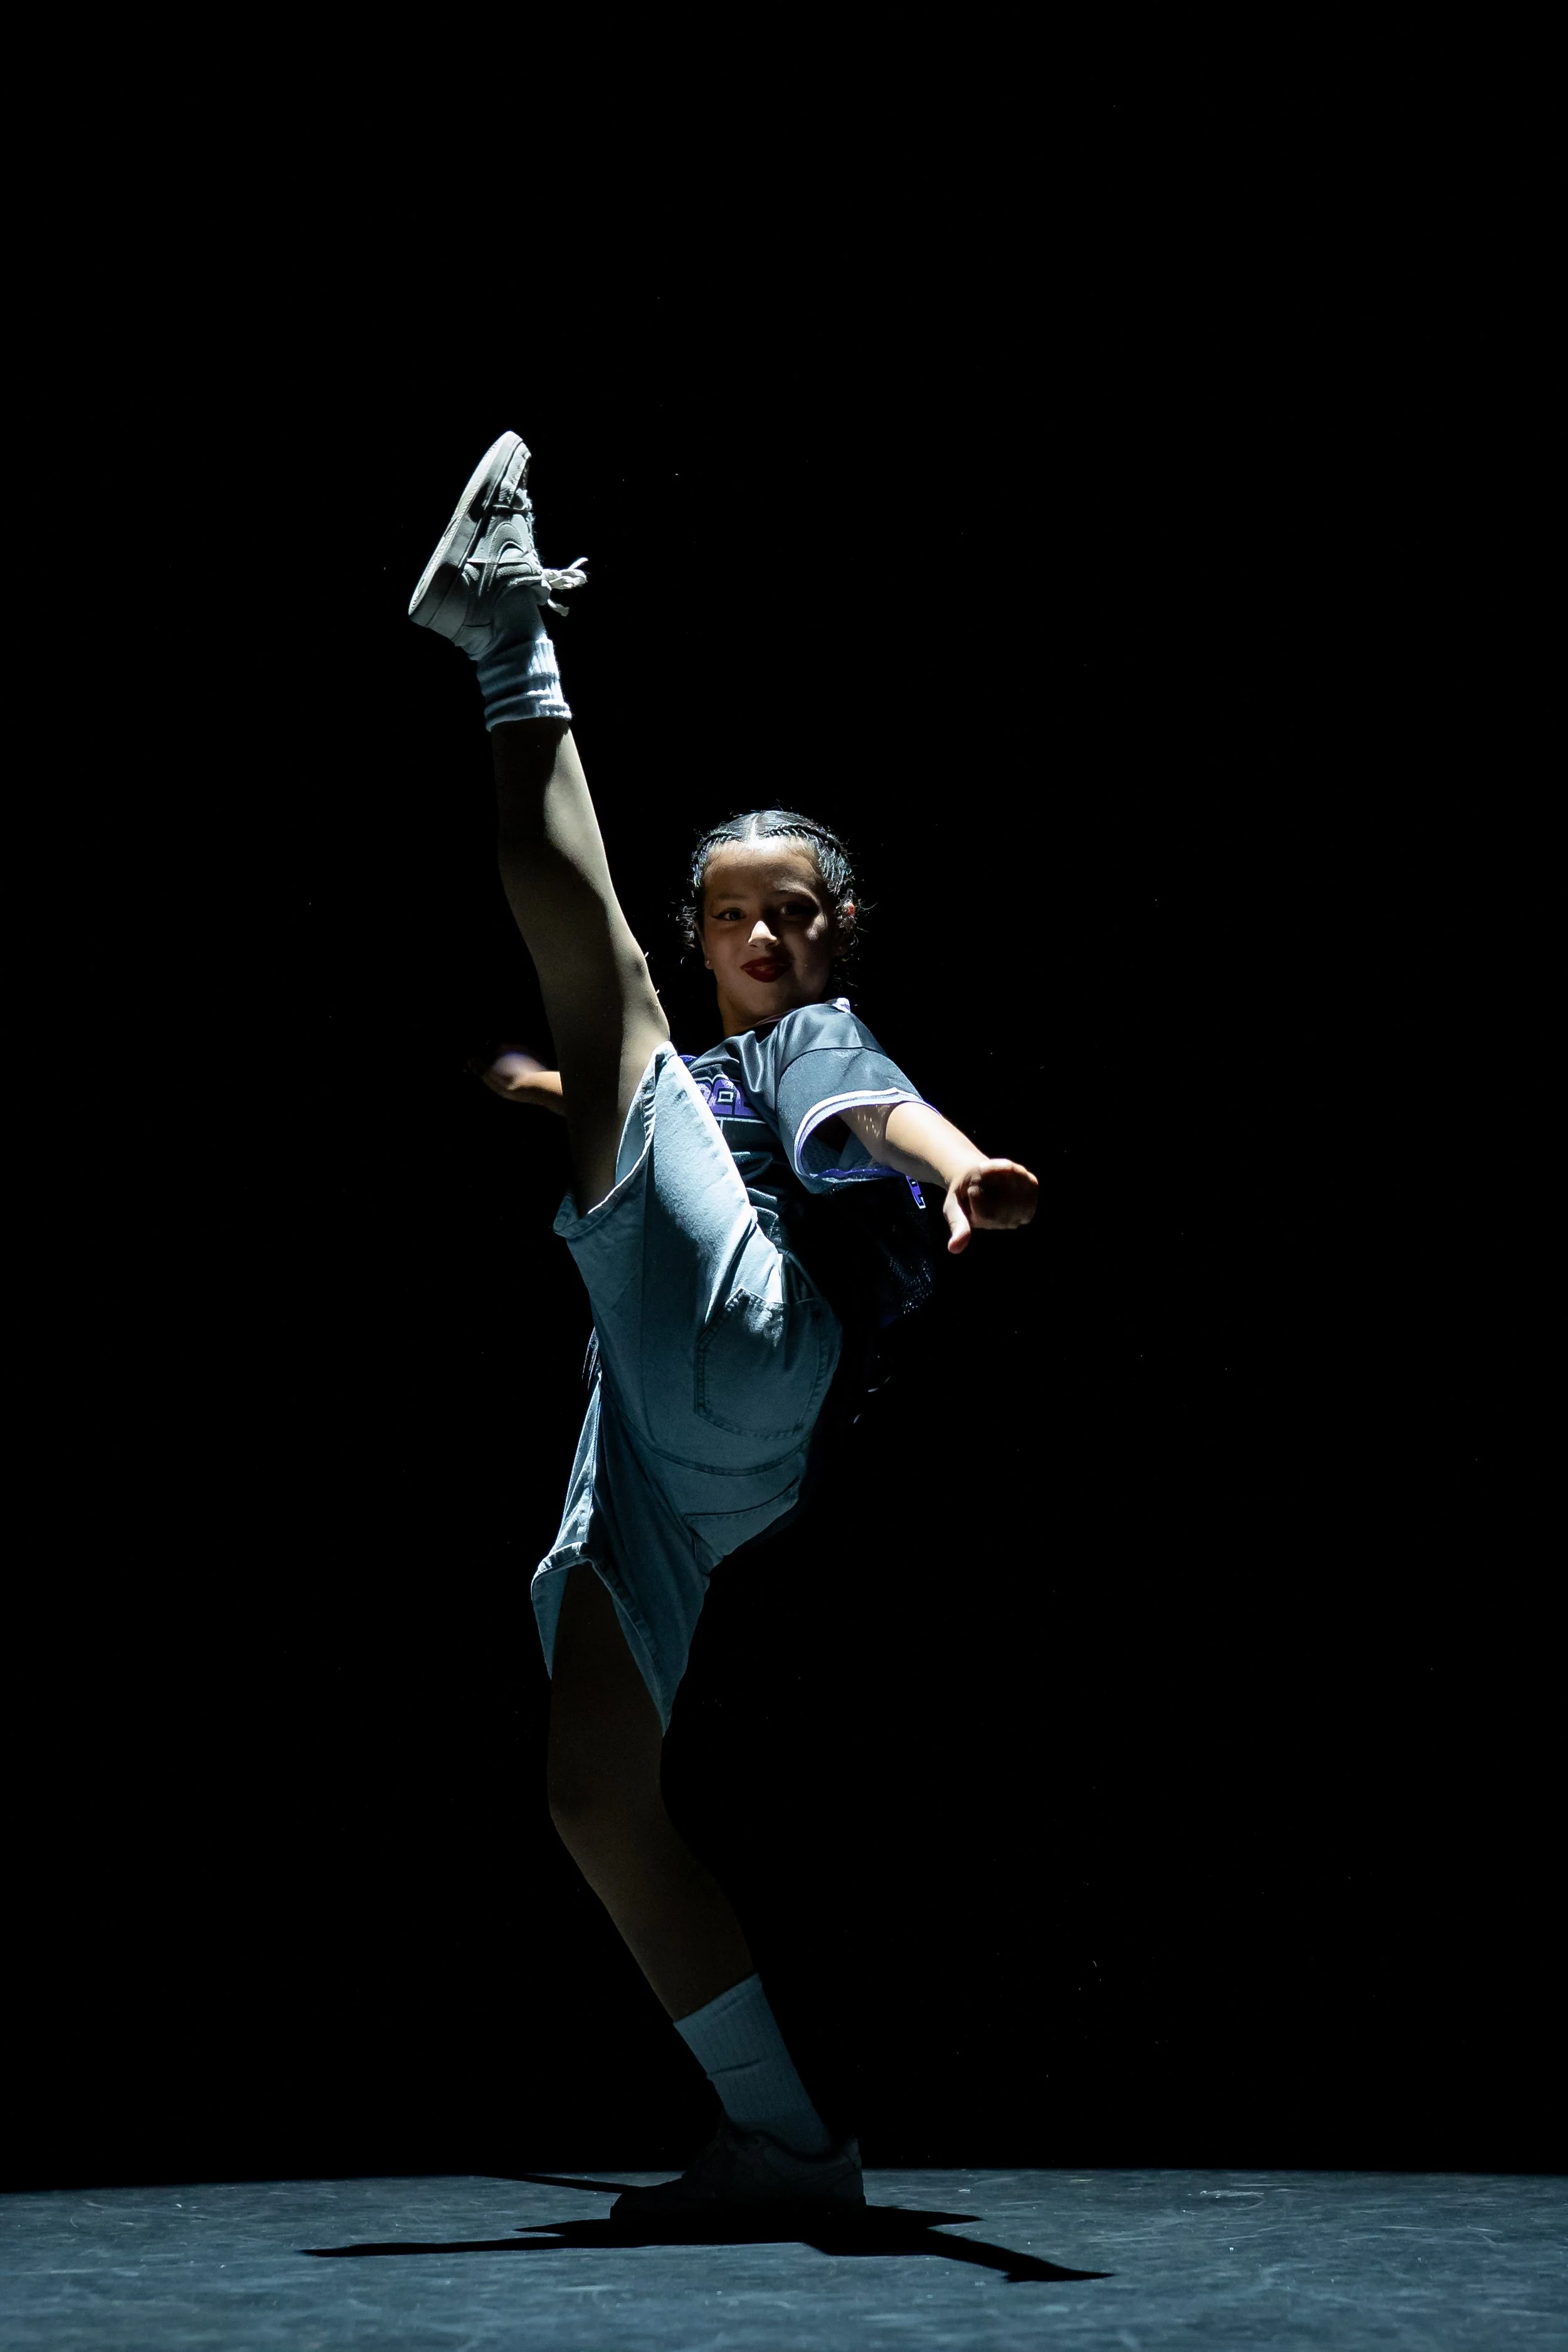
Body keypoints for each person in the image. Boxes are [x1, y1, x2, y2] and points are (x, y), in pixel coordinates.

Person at [410, 433, 1039, 2218]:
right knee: (597, 1798)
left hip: (753, 1340)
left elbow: (867, 1104)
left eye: (791, 910)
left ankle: (505, 628)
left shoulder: (797, 1043)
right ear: (709, 937)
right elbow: (610, 1070)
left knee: (585, 981)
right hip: (703, 1475)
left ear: (833, 930)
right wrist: (539, 1082)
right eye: (728, 913)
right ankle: (791, 2142)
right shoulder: (691, 1078)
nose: (759, 930)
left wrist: (962, 1162)